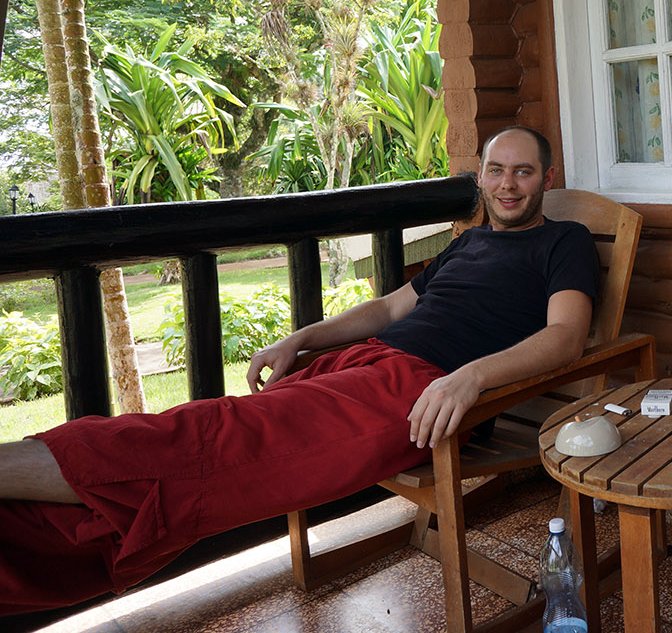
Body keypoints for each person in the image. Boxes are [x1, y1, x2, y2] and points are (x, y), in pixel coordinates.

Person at [0, 125, 600, 615]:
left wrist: (469, 378)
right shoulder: (469, 244)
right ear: (481, 177)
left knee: (213, 440)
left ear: (547, 177)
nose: (508, 184)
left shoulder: (563, 241)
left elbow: (566, 337)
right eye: (497, 170)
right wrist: (301, 338)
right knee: (216, 439)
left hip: (420, 389)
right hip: (363, 364)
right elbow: (391, 307)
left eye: (523, 171)